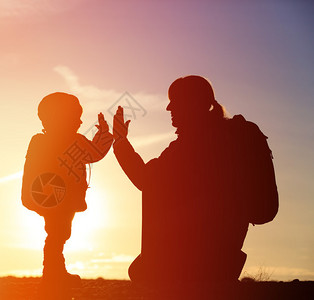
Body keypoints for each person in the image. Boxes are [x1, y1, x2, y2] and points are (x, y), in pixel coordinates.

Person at [113, 76, 266, 298]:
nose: (169, 107)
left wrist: (120, 142)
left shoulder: (195, 145)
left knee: (141, 272)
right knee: (141, 271)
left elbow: (146, 180)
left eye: (176, 101)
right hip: (225, 260)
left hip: (194, 261)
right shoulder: (226, 138)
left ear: (195, 103)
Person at [21, 92, 112, 294]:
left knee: (58, 234)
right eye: (74, 117)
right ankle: (53, 273)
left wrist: (103, 135)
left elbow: (94, 152)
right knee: (57, 234)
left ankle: (55, 271)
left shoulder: (46, 141)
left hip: (55, 198)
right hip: (55, 198)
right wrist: (103, 135)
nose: (80, 121)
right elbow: (95, 152)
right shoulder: (64, 142)